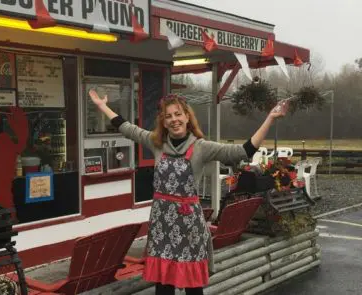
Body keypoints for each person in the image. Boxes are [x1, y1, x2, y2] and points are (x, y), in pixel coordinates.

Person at [88, 89, 288, 295]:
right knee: (163, 283)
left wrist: (270, 119)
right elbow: (127, 128)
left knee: (193, 286)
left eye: (178, 114)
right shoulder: (157, 143)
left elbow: (243, 151)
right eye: (168, 116)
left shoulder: (202, 147)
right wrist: (102, 106)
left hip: (189, 224)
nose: (174, 120)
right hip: (162, 223)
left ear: (187, 117)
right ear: (163, 122)